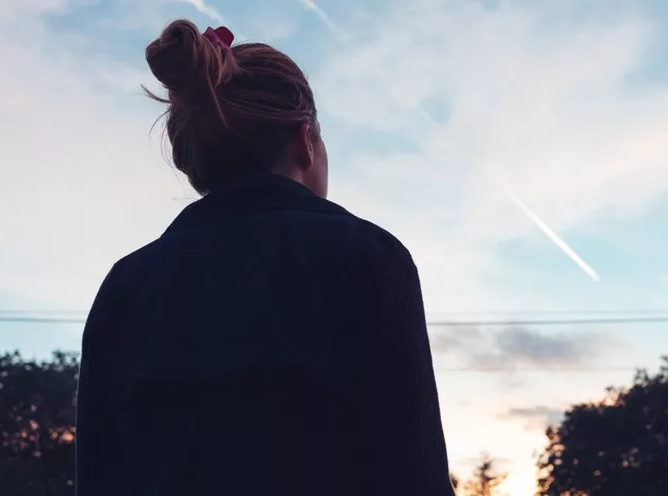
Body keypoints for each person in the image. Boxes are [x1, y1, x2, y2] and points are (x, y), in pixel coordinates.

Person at [75, 19, 452, 496]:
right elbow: (414, 476)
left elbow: (97, 479)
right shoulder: (367, 257)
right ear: (305, 139)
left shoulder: (124, 288)